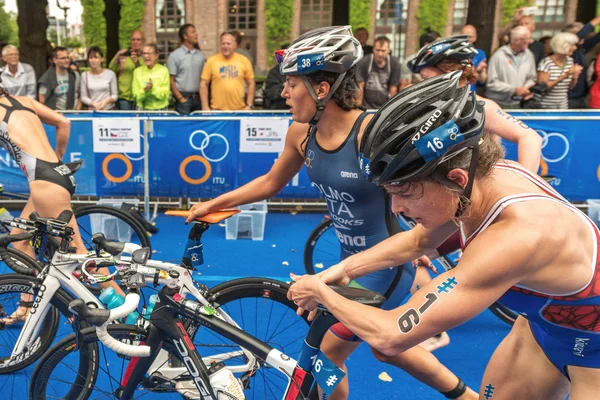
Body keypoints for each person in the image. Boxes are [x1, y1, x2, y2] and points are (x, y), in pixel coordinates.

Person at [187, 26, 477, 400]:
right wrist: (213, 204)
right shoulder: (300, 134)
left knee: (327, 351)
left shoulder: (369, 133)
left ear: (321, 89)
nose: (284, 92)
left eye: (291, 83)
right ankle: (465, 396)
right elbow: (271, 183)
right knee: (384, 348)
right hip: (345, 260)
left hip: (384, 266)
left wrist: (425, 242)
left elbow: (430, 190)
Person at [288, 71, 600, 400]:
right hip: (542, 331)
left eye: (405, 192)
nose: (395, 208)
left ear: (455, 177)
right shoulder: (479, 184)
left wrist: (322, 292)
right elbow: (420, 241)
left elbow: (392, 334)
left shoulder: (516, 236)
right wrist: (344, 270)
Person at [0, 77, 122, 324]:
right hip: (55, 175)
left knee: (78, 255)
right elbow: (63, 122)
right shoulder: (24, 101)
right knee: (20, 241)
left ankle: (122, 305)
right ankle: (26, 305)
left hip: (45, 185)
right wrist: (57, 159)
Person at [409, 34, 542, 173]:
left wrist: (522, 185)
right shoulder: (432, 104)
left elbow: (531, 138)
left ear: (449, 71)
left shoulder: (479, 105)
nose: (423, 84)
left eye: (426, 78)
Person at [485, 26, 537, 110]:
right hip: (498, 104)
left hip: (520, 103)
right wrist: (514, 89)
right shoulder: (498, 56)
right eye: (528, 38)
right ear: (517, 40)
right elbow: (491, 83)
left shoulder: (529, 55)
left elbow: (532, 78)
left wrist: (525, 89)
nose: (531, 41)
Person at [200, 32, 255, 111]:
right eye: (223, 43)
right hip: (217, 110)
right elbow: (203, 83)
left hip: (239, 110)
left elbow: (251, 82)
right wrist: (205, 107)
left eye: (228, 44)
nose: (225, 46)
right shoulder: (211, 61)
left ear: (235, 45)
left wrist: (249, 104)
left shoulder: (244, 61)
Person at [535, 32, 582, 109]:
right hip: (545, 105)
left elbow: (570, 87)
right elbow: (543, 86)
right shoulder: (546, 63)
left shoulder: (570, 61)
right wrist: (566, 75)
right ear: (562, 45)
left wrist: (574, 77)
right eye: (572, 45)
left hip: (562, 105)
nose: (575, 48)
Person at [563, 16, 600, 109]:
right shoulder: (565, 51)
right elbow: (579, 36)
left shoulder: (580, 49)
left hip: (581, 98)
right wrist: (596, 21)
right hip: (568, 98)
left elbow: (597, 38)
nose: (583, 38)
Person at [167, 24, 205, 114]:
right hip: (183, 100)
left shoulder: (200, 55)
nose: (196, 34)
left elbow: (204, 79)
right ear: (185, 36)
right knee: (183, 126)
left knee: (198, 127)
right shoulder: (174, 56)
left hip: (198, 99)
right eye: (193, 32)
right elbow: (170, 80)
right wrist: (180, 98)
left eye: (195, 31)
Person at [355, 36, 401, 109]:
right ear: (373, 49)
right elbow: (360, 86)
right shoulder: (364, 62)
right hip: (366, 107)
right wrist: (358, 107)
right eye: (377, 50)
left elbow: (393, 88)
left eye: (383, 51)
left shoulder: (394, 64)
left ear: (388, 50)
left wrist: (391, 110)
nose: (380, 54)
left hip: (384, 107)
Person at [109, 30, 144, 110]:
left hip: (141, 97)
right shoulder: (123, 56)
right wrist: (117, 55)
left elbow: (147, 73)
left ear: (143, 41)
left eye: (138, 39)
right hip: (125, 98)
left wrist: (137, 63)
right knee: (127, 122)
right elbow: (111, 69)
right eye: (133, 39)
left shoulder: (146, 57)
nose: (135, 42)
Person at [38, 46, 82, 110]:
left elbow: (81, 95)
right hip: (55, 115)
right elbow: (42, 100)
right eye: (63, 58)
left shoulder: (75, 75)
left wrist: (77, 110)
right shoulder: (46, 77)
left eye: (67, 57)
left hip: (74, 114)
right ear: (55, 60)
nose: (67, 60)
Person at [132, 43, 170, 111]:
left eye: (149, 53)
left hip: (161, 109)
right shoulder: (137, 71)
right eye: (144, 53)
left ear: (156, 55)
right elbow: (136, 95)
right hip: (143, 109)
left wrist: (153, 89)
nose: (146, 56)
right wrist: (145, 91)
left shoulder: (164, 70)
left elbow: (166, 94)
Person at [80, 47, 118, 111]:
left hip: (108, 110)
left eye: (96, 57)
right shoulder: (84, 75)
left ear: (102, 59)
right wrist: (94, 104)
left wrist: (106, 102)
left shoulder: (110, 74)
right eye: (91, 58)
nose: (93, 60)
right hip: (93, 110)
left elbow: (115, 95)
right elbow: (83, 96)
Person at [459, 25, 487, 89]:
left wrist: (480, 71)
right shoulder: (454, 53)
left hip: (471, 92)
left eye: (471, 37)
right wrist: (476, 70)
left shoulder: (480, 54)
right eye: (465, 37)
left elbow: (483, 80)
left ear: (475, 38)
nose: (468, 40)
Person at [264, 43, 290, 110]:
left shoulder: (300, 71)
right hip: (278, 111)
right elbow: (270, 94)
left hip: (297, 110)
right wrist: (284, 86)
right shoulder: (274, 72)